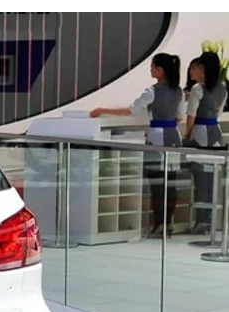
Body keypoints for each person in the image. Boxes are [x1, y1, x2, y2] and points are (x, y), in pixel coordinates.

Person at [91, 52, 184, 237]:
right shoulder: (179, 91)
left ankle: (159, 224)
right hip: (174, 136)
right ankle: (168, 223)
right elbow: (179, 116)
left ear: (160, 70)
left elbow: (131, 110)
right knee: (170, 184)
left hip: (158, 138)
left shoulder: (152, 91)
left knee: (157, 183)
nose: (150, 69)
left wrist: (102, 110)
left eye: (153, 66)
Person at [183, 50, 226, 235]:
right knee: (212, 180)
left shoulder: (197, 89)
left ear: (204, 68)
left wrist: (187, 135)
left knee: (200, 179)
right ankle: (210, 221)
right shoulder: (223, 88)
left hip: (200, 134)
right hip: (216, 134)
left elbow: (191, 116)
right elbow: (218, 112)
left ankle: (201, 221)